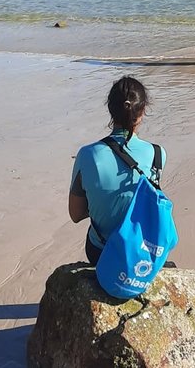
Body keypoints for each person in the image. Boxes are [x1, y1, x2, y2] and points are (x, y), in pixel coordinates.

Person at [68, 76, 167, 265]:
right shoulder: (157, 154)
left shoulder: (87, 154)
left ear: (110, 110)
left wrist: (102, 198)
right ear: (142, 111)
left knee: (96, 234)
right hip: (143, 249)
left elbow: (76, 214)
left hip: (101, 252)